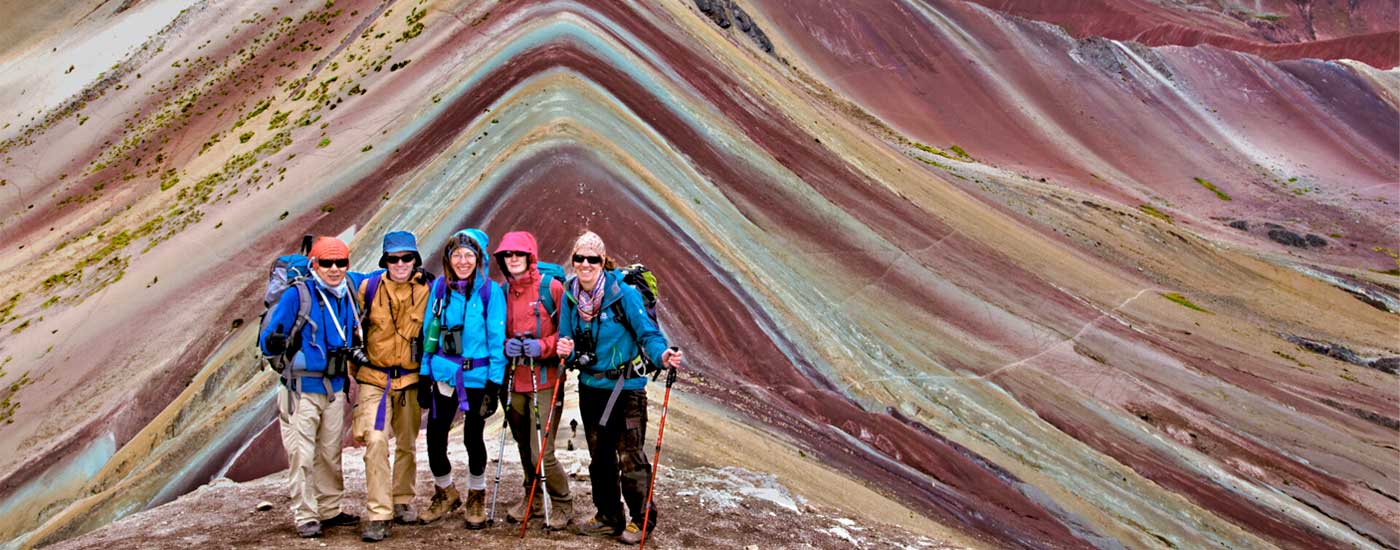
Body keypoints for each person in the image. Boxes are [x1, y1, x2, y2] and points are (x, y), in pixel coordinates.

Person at [556, 231, 683, 544]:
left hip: (627, 389)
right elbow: (567, 341)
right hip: (590, 386)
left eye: (592, 259)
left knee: (630, 456)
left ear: (603, 261)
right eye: (579, 258)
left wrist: (663, 355)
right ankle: (609, 516)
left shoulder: (623, 294)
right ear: (573, 261)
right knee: (600, 457)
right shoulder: (570, 295)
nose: (585, 264)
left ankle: (642, 520)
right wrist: (566, 351)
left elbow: (647, 334)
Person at [258, 236, 362, 538]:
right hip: (300, 390)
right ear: (314, 264)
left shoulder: (347, 291)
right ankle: (305, 514)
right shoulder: (297, 295)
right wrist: (273, 342)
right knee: (302, 454)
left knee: (330, 452)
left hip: (334, 387)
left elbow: (376, 276)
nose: (333, 269)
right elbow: (269, 337)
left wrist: (416, 272)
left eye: (340, 263)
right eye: (326, 263)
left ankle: (330, 509)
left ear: (347, 265)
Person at [418, 229, 507, 529]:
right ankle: (445, 491)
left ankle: (476, 495)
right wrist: (423, 374)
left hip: (477, 377)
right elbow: (430, 331)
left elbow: (497, 340)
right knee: (434, 436)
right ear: (448, 258)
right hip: (444, 373)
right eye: (457, 255)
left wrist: (494, 385)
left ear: (479, 258)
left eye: (469, 255)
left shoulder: (489, 292)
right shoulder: (441, 288)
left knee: (472, 437)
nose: (463, 261)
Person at [350, 231, 433, 542]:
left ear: (416, 260)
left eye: (406, 258)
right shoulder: (368, 289)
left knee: (407, 444)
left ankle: (402, 499)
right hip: (374, 378)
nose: (400, 263)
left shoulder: (428, 290)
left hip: (411, 379)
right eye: (393, 258)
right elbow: (353, 331)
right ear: (384, 261)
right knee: (375, 440)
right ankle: (379, 514)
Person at [493, 231, 575, 530]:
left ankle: (563, 502)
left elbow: (568, 335)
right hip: (514, 381)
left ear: (530, 257)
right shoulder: (503, 292)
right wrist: (506, 345)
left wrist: (541, 347)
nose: (512, 259)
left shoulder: (550, 288)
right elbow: (495, 330)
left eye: (518, 254)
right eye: (507, 255)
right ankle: (533, 498)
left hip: (546, 380)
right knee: (524, 446)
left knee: (543, 451)